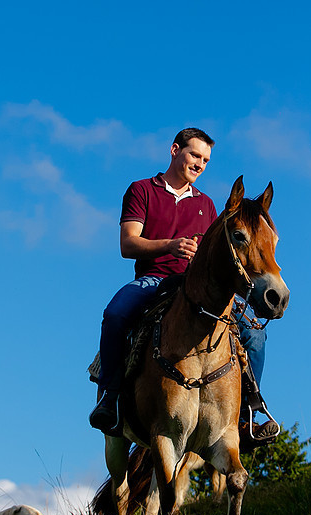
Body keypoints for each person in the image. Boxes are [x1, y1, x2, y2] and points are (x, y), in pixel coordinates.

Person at [90, 128, 277, 442]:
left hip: (195, 287)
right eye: (195, 155)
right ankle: (110, 397)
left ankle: (248, 413)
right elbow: (128, 244)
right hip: (154, 280)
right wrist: (170, 246)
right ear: (175, 150)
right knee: (115, 315)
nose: (200, 164)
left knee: (255, 334)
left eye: (205, 159)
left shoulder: (207, 205)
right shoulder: (142, 190)